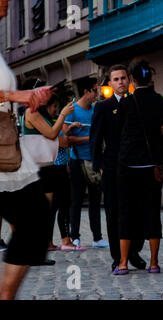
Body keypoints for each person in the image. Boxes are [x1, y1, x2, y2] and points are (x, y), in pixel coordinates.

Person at [0, 9, 54, 297]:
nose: (6, 6)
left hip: (6, 152)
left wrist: (30, 99)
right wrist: (14, 96)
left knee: (35, 220)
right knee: (34, 218)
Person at [90, 64, 146, 272]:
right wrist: (100, 166)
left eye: (123, 78)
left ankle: (134, 252)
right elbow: (95, 139)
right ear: (110, 83)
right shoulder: (103, 107)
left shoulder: (138, 102)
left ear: (129, 79)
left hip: (136, 166)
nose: (120, 82)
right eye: (116, 79)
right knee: (114, 213)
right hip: (112, 167)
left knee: (137, 211)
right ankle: (117, 256)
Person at [114, 60, 163, 275]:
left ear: (133, 80)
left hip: (129, 165)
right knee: (152, 212)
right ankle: (154, 263)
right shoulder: (159, 101)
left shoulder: (126, 102)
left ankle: (124, 263)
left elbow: (119, 131)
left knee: (126, 212)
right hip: (153, 165)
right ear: (150, 78)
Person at [22, 92, 78, 251]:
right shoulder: (32, 112)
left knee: (50, 207)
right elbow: (54, 135)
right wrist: (62, 115)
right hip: (44, 166)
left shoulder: (36, 114)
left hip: (46, 165)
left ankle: (46, 242)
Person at [63, 77, 109, 249]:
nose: (98, 93)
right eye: (95, 90)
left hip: (95, 160)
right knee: (76, 200)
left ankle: (97, 238)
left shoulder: (95, 110)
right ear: (86, 92)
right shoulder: (72, 110)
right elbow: (67, 139)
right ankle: (75, 236)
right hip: (78, 162)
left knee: (96, 201)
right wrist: (90, 139)